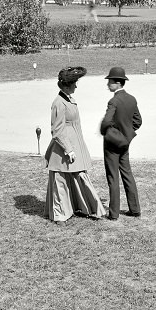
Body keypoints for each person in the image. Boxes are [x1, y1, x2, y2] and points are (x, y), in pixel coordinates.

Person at [44, 67, 105, 225]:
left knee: (79, 176)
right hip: (63, 148)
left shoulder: (68, 99)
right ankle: (60, 215)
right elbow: (57, 131)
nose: (76, 86)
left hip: (75, 144)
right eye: (74, 84)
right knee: (60, 181)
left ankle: (84, 208)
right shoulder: (58, 103)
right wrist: (68, 149)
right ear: (66, 85)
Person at [100, 67, 142, 220]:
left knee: (113, 178)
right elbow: (138, 121)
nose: (107, 84)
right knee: (127, 174)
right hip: (125, 143)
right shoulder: (131, 99)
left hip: (112, 145)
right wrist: (127, 134)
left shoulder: (113, 101)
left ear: (117, 83)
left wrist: (109, 133)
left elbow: (106, 122)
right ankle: (135, 209)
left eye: (109, 81)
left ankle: (114, 213)